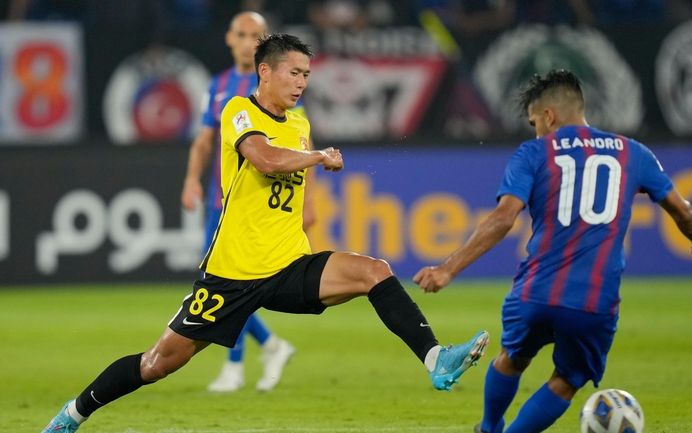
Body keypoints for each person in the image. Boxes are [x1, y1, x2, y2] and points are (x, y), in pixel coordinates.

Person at [41, 33, 489, 433]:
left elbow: (293, 186)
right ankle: (72, 415)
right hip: (232, 274)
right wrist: (316, 157)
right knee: (157, 364)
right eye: (293, 73)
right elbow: (264, 159)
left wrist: (310, 209)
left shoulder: (299, 123)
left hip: (288, 265)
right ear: (265, 72)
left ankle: (435, 360)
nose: (301, 83)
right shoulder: (238, 110)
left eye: (306, 75)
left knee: (374, 270)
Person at [414, 69, 692, 433]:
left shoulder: (534, 153)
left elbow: (504, 217)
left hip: (536, 292)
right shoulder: (633, 153)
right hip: (595, 300)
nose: (535, 131)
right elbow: (683, 210)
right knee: (567, 380)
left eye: (533, 122)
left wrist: (449, 268)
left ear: (548, 116)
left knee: (512, 358)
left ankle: (490, 427)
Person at [181, 11, 306, 393]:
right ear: (229, 38)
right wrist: (190, 180)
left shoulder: (275, 88)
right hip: (223, 203)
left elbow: (296, 148)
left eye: (257, 34)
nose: (248, 40)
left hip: (257, 205)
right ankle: (268, 345)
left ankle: (238, 365)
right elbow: (204, 139)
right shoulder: (218, 85)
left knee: (228, 284)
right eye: (242, 33)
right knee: (219, 283)